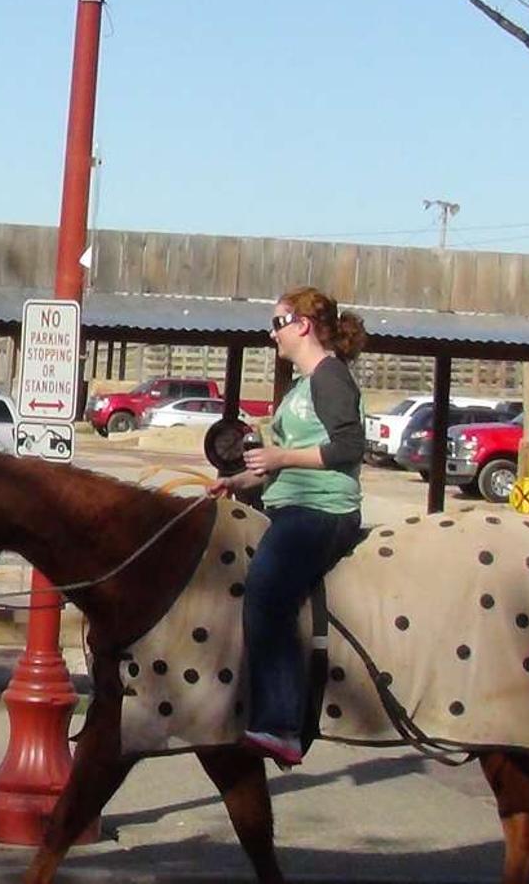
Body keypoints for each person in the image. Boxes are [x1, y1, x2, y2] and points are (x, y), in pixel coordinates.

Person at [212, 286, 368, 767]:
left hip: (323, 510)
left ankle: (282, 726)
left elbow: (348, 447)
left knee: (267, 590)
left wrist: (280, 456)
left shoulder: (329, 376)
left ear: (302, 325)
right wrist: (240, 478)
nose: (272, 333)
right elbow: (280, 464)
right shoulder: (300, 388)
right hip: (289, 503)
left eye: (277, 323)